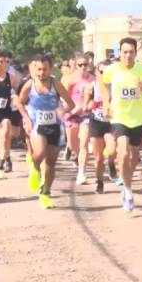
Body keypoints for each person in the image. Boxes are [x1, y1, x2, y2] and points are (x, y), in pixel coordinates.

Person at [100, 37, 142, 212]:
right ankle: (127, 190)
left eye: (131, 52)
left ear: (135, 52)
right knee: (123, 151)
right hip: (119, 117)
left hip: (139, 118)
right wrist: (105, 102)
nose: (127, 55)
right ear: (120, 52)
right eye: (124, 52)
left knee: (133, 158)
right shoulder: (112, 70)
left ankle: (127, 181)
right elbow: (102, 83)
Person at [16, 54, 75, 209]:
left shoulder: (56, 84)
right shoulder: (30, 85)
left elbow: (70, 103)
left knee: (51, 163)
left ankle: (45, 192)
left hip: (55, 126)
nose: (42, 73)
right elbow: (19, 102)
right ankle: (35, 167)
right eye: (39, 69)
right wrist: (27, 119)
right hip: (37, 125)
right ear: (34, 69)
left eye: (45, 69)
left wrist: (62, 111)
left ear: (51, 69)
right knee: (40, 152)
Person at [83, 60, 117, 194]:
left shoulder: (115, 86)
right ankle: (100, 182)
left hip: (110, 123)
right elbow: (85, 107)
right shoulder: (91, 87)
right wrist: (92, 105)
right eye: (101, 72)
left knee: (112, 150)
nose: (104, 75)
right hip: (96, 122)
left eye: (107, 72)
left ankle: (111, 163)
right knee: (98, 158)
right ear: (97, 72)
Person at [63, 53, 95, 184]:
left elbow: (97, 98)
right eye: (80, 65)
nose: (83, 67)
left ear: (89, 65)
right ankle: (75, 155)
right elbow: (64, 96)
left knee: (84, 143)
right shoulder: (70, 79)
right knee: (73, 143)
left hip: (86, 115)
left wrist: (88, 106)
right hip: (72, 114)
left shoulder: (93, 80)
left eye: (85, 64)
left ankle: (82, 172)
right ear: (75, 66)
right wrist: (71, 109)